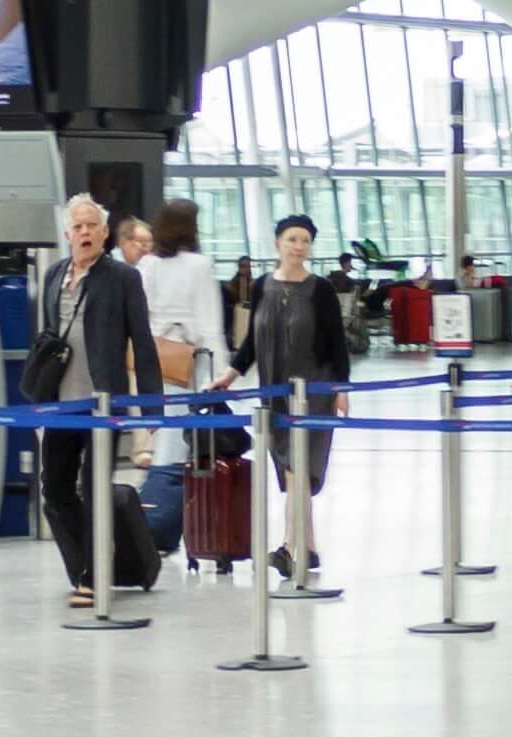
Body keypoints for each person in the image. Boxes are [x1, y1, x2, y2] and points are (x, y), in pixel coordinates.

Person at [33, 196, 155, 592]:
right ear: (67, 234)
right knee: (54, 488)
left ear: (104, 233)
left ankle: (92, 577)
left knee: (95, 485)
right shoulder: (53, 276)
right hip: (62, 403)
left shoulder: (122, 278)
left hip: (103, 402)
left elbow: (143, 341)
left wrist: (149, 409)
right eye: (78, 227)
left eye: (92, 226)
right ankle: (86, 563)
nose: (85, 232)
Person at [240, 212, 355, 545]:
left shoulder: (321, 290)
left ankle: (291, 545)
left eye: (305, 240)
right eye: (292, 239)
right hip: (274, 393)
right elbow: (251, 342)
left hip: (315, 390)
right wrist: (229, 374)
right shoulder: (262, 286)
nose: (299, 246)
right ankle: (308, 545)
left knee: (299, 471)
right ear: (278, 243)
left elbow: (337, 343)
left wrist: (341, 390)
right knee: (291, 472)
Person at [135, 199, 235, 494]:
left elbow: (143, 315)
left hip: (157, 360)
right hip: (192, 361)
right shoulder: (199, 265)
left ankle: (156, 505)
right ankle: (168, 508)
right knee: (184, 441)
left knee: (163, 436)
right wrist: (222, 373)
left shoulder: (148, 264)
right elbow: (210, 325)